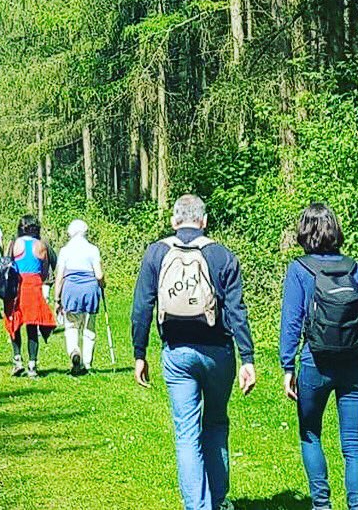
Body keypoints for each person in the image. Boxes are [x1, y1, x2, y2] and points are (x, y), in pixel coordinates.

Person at [132, 193, 256, 510]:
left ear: (174, 220)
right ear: (204, 220)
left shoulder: (156, 253)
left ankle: (197, 506)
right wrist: (248, 358)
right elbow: (237, 311)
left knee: (186, 432)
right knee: (215, 423)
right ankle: (218, 499)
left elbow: (142, 307)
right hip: (218, 353)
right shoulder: (222, 255)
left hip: (176, 352)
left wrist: (140, 352)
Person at [280, 203, 358, 510]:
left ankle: (322, 505)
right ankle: (357, 507)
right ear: (335, 230)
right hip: (355, 365)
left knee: (310, 434)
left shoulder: (299, 269)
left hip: (314, 362)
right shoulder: (355, 268)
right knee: (353, 445)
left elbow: (292, 322)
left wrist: (287, 365)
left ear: (304, 232)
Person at [3, 214, 57, 378]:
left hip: (17, 285)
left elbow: (6, 263)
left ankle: (17, 359)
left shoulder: (14, 243)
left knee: (14, 322)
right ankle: (32, 364)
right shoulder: (41, 245)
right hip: (34, 286)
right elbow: (46, 268)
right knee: (32, 326)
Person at [55, 218, 105, 375]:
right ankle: (87, 363)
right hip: (90, 290)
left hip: (71, 290)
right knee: (89, 327)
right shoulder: (93, 249)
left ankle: (74, 352)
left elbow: (59, 277)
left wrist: (57, 299)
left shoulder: (65, 251)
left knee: (71, 326)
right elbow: (99, 275)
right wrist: (103, 284)